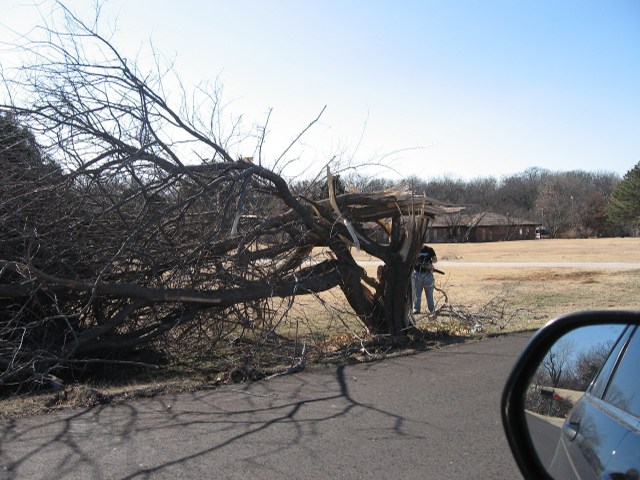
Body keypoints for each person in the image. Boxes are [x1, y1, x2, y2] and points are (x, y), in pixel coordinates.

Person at [412, 244, 438, 314]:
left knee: (429, 293)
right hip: (417, 274)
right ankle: (416, 309)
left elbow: (435, 260)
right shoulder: (414, 249)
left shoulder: (429, 249)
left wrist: (431, 263)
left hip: (428, 274)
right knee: (417, 293)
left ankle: (432, 310)